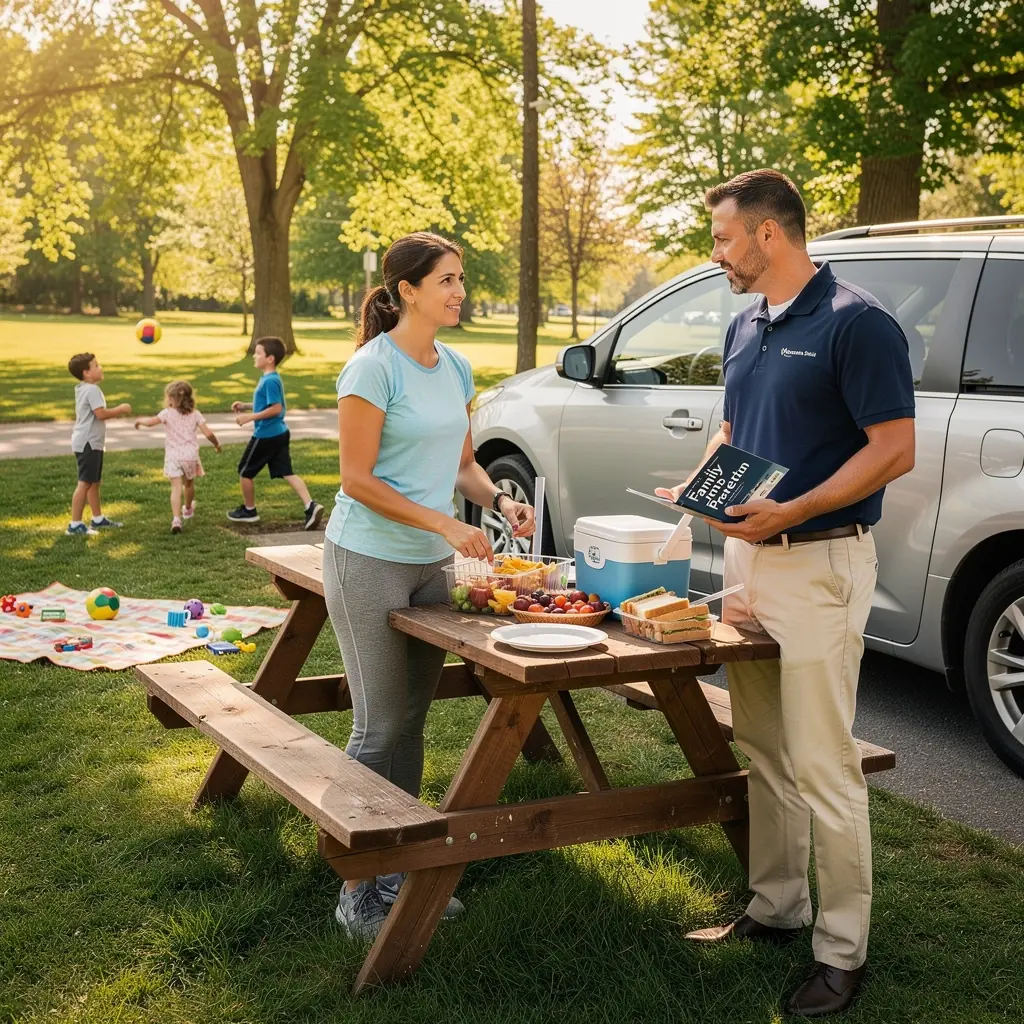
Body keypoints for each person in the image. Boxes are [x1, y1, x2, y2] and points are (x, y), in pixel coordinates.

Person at [657, 170, 915, 1018]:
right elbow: (737, 431)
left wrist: (792, 512)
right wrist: (695, 492)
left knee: (823, 763)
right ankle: (777, 908)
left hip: (821, 565)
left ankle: (842, 954)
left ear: (771, 235)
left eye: (725, 238)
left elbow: (893, 450)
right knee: (764, 747)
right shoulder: (746, 323)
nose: (718, 254)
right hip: (749, 568)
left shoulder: (857, 323)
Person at [322, 232, 535, 940]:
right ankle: (357, 889)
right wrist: (445, 527)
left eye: (462, 280)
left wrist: (499, 501)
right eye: (446, 280)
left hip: (428, 565)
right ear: (405, 290)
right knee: (377, 726)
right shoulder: (371, 369)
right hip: (369, 559)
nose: (459, 291)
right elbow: (358, 480)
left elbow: (463, 464)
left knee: (412, 722)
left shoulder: (456, 366)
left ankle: (397, 868)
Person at [226, 336, 324, 528]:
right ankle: (310, 506)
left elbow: (276, 408)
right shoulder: (271, 378)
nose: (254, 355)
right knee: (286, 472)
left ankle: (249, 510)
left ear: (270, 358)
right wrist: (247, 406)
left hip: (266, 435)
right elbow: (267, 404)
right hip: (279, 433)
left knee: (245, 471)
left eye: (258, 352)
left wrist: (250, 417)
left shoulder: (270, 381)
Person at [134, 380, 222, 533]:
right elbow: (208, 433)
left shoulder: (167, 413)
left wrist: (140, 421)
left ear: (173, 399)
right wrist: (216, 444)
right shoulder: (195, 415)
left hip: (173, 457)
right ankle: (187, 509)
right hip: (190, 456)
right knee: (188, 484)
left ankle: (176, 519)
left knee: (176, 488)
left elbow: (150, 423)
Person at [66, 352, 132, 536]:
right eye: (96, 365)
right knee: (85, 483)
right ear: (86, 372)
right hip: (88, 442)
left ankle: (97, 519)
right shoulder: (92, 390)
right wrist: (120, 409)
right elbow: (100, 414)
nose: (100, 367)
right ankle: (75, 524)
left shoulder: (82, 388)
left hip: (90, 442)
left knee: (93, 482)